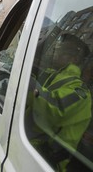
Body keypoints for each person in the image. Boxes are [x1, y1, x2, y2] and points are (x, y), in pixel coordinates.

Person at [25, 34, 92, 171]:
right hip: (29, 147)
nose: (55, 51)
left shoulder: (81, 92)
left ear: (74, 59)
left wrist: (24, 80)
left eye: (61, 51)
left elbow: (54, 108)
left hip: (48, 162)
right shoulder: (53, 74)